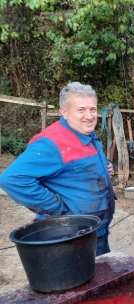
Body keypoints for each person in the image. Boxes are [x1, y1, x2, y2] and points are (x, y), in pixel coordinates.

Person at [0, 82, 115, 256]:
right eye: (81, 110)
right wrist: (57, 208)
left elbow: (83, 166)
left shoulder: (87, 133)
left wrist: (107, 168)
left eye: (93, 109)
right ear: (64, 112)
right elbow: (11, 179)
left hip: (96, 231)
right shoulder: (52, 143)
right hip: (71, 237)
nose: (89, 116)